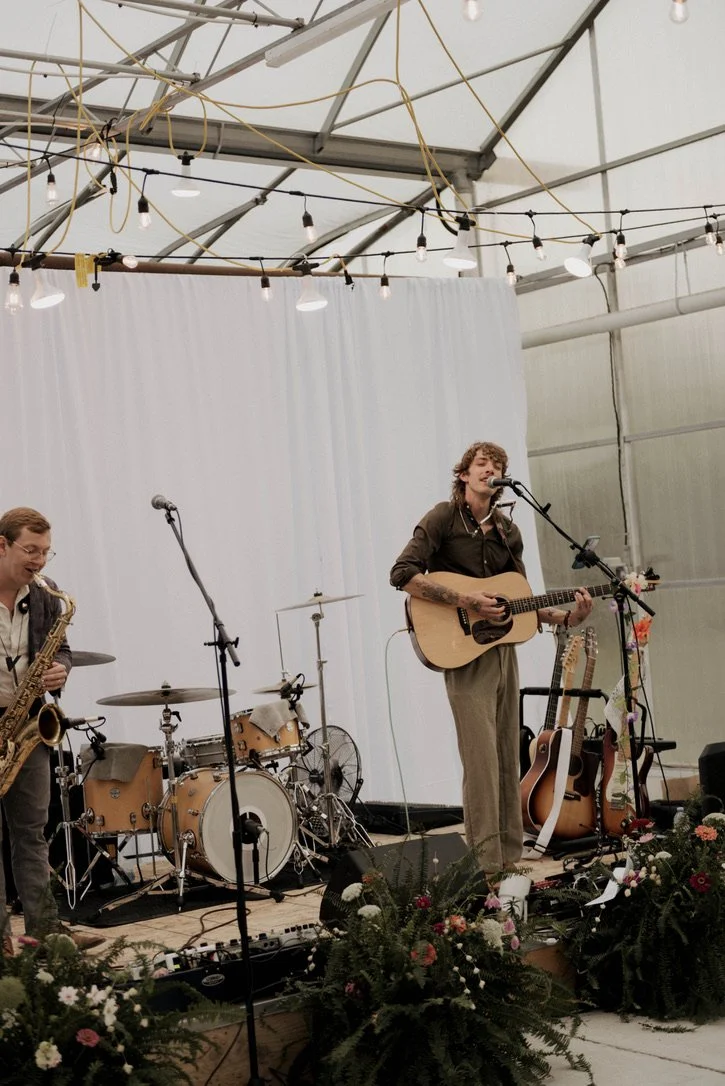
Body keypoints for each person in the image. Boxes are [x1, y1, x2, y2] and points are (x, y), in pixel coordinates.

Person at [390, 441, 593, 873]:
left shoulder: (507, 531)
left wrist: (567, 616)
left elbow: (521, 599)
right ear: (464, 474)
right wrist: (466, 600)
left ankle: (508, 857)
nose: (490, 470)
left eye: (497, 465)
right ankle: (484, 863)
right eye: (482, 464)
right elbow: (402, 573)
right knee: (480, 761)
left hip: (503, 651)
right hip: (462, 653)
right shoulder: (443, 518)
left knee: (505, 755)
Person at [0, 506, 102, 953]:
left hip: (28, 722)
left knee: (32, 832)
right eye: (30, 550)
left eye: (45, 551)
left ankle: (45, 931)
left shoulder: (46, 594)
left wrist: (60, 669)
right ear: (2, 545)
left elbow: (62, 648)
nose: (39, 560)